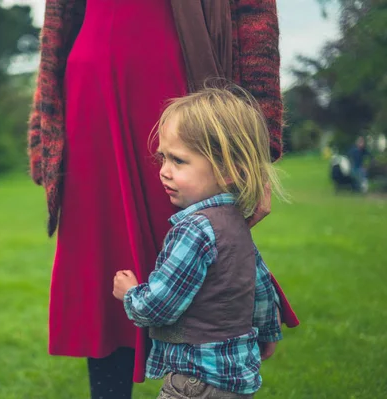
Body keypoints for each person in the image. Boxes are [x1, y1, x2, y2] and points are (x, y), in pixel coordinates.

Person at [27, 1, 299, 398]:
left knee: (207, 245)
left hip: (178, 71)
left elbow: (252, 16)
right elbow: (57, 23)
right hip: (90, 89)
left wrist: (256, 150)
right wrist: (44, 125)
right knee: (106, 261)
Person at [113, 87, 285, 399]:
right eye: (163, 157)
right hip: (234, 381)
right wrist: (268, 332)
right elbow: (259, 287)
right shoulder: (236, 223)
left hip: (194, 382)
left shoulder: (195, 230)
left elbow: (159, 307)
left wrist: (130, 294)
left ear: (229, 169)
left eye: (178, 160)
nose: (163, 171)